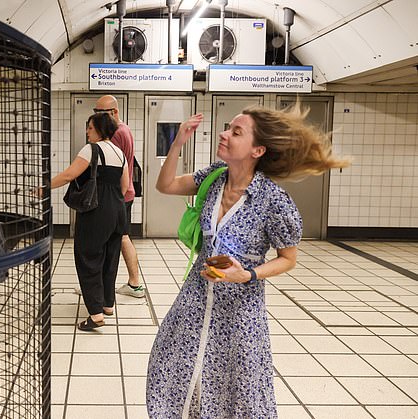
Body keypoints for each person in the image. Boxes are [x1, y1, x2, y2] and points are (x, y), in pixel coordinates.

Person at [146, 104, 350, 417]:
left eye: (235, 132)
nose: (224, 134)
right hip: (195, 300)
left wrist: (249, 275)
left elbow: (288, 259)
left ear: (257, 150)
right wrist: (177, 143)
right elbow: (166, 185)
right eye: (228, 128)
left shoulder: (273, 201)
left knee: (237, 388)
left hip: (240, 315)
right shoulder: (213, 178)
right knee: (180, 371)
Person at [50, 112, 129, 330]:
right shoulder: (120, 153)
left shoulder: (91, 150)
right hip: (118, 210)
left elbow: (68, 175)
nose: (87, 131)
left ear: (100, 130)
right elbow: (125, 186)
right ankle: (106, 304)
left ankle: (95, 315)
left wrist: (43, 187)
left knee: (88, 257)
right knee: (110, 258)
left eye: (90, 128)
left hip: (96, 211)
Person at [94, 95, 145, 298]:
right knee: (123, 237)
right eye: (95, 112)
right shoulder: (125, 129)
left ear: (114, 112)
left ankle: (100, 287)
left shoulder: (114, 134)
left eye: (101, 114)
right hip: (125, 194)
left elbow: (107, 168)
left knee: (112, 240)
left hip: (116, 196)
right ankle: (133, 283)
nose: (97, 118)